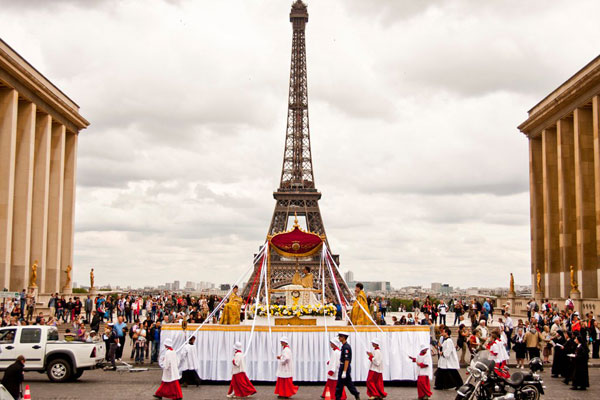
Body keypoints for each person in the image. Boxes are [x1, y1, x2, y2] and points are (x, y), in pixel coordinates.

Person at [336, 332, 360, 400]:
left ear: (343, 337)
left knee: (340, 384)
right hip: (343, 366)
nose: (339, 338)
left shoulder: (346, 347)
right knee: (348, 383)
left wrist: (344, 371)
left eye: (340, 337)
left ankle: (338, 397)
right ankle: (356, 393)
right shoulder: (344, 346)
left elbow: (347, 360)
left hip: (344, 367)